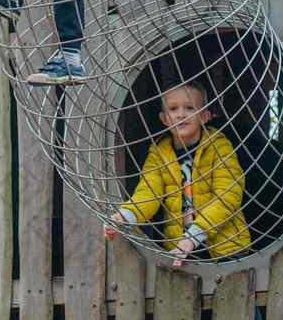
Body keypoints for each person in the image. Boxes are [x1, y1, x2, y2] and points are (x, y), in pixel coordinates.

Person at [105, 80, 250, 264]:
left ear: (204, 116)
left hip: (226, 248)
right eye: (173, 109)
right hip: (179, 249)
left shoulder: (219, 146)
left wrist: (193, 236)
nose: (181, 114)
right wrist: (125, 216)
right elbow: (148, 193)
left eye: (190, 108)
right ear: (164, 118)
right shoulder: (159, 153)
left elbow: (228, 195)